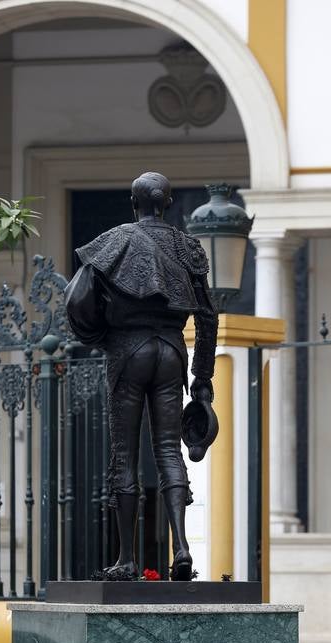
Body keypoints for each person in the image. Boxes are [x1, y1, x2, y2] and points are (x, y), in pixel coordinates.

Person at [64, 172, 217, 581]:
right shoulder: (188, 246)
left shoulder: (115, 240)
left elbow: (77, 301)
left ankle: (127, 559)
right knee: (169, 450)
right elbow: (208, 316)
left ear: (134, 204)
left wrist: (99, 336)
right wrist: (202, 379)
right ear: (167, 203)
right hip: (171, 351)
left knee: (124, 454)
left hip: (128, 350)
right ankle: (181, 548)